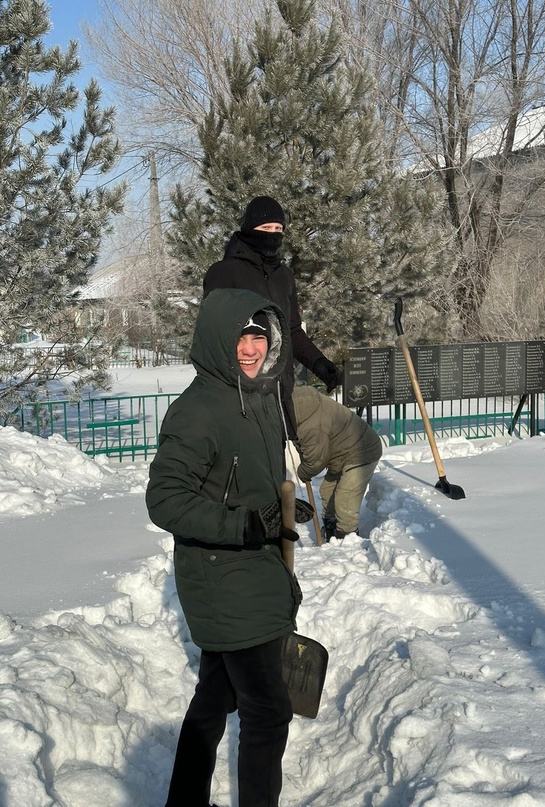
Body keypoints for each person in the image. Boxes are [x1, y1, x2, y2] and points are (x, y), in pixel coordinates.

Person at [146, 288, 304, 807]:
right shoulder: (199, 410)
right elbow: (165, 500)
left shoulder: (255, 399)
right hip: (224, 576)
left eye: (258, 336)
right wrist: (241, 527)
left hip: (249, 570)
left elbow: (244, 482)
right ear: (217, 339)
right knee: (266, 710)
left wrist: (281, 514)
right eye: (240, 335)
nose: (250, 347)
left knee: (215, 697)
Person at [203, 195, 342, 437]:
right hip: (242, 394)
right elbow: (214, 337)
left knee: (278, 466)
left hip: (279, 389)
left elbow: (292, 330)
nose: (273, 233)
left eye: (279, 228)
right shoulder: (224, 273)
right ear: (249, 229)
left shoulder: (284, 276)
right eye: (266, 227)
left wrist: (319, 363)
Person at [292, 384, 383, 541]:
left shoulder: (310, 424)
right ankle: (331, 528)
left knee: (345, 498)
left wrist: (303, 472)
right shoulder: (300, 404)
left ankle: (346, 538)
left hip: (362, 451)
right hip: (340, 454)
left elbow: (316, 460)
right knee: (327, 491)